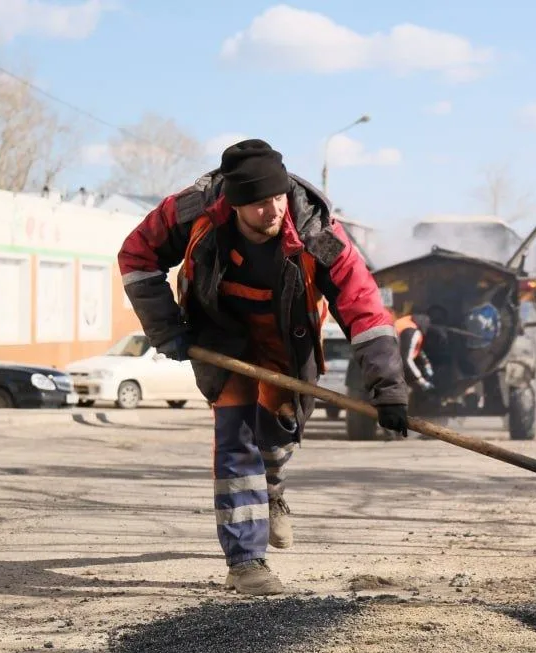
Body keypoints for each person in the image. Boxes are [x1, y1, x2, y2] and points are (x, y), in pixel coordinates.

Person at [117, 139, 410, 595]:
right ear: (233, 204)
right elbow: (136, 255)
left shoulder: (317, 231)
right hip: (220, 334)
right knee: (236, 437)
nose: (272, 210)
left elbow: (364, 308)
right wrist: (165, 326)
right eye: (258, 203)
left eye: (277, 197)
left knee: (277, 434)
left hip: (287, 337)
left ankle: (272, 489)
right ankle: (245, 562)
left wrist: (387, 387)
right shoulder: (190, 212)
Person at [393, 312, 435, 393]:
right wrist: (420, 380)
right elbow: (406, 359)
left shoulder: (410, 323)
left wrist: (426, 364)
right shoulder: (412, 332)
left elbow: (416, 349)